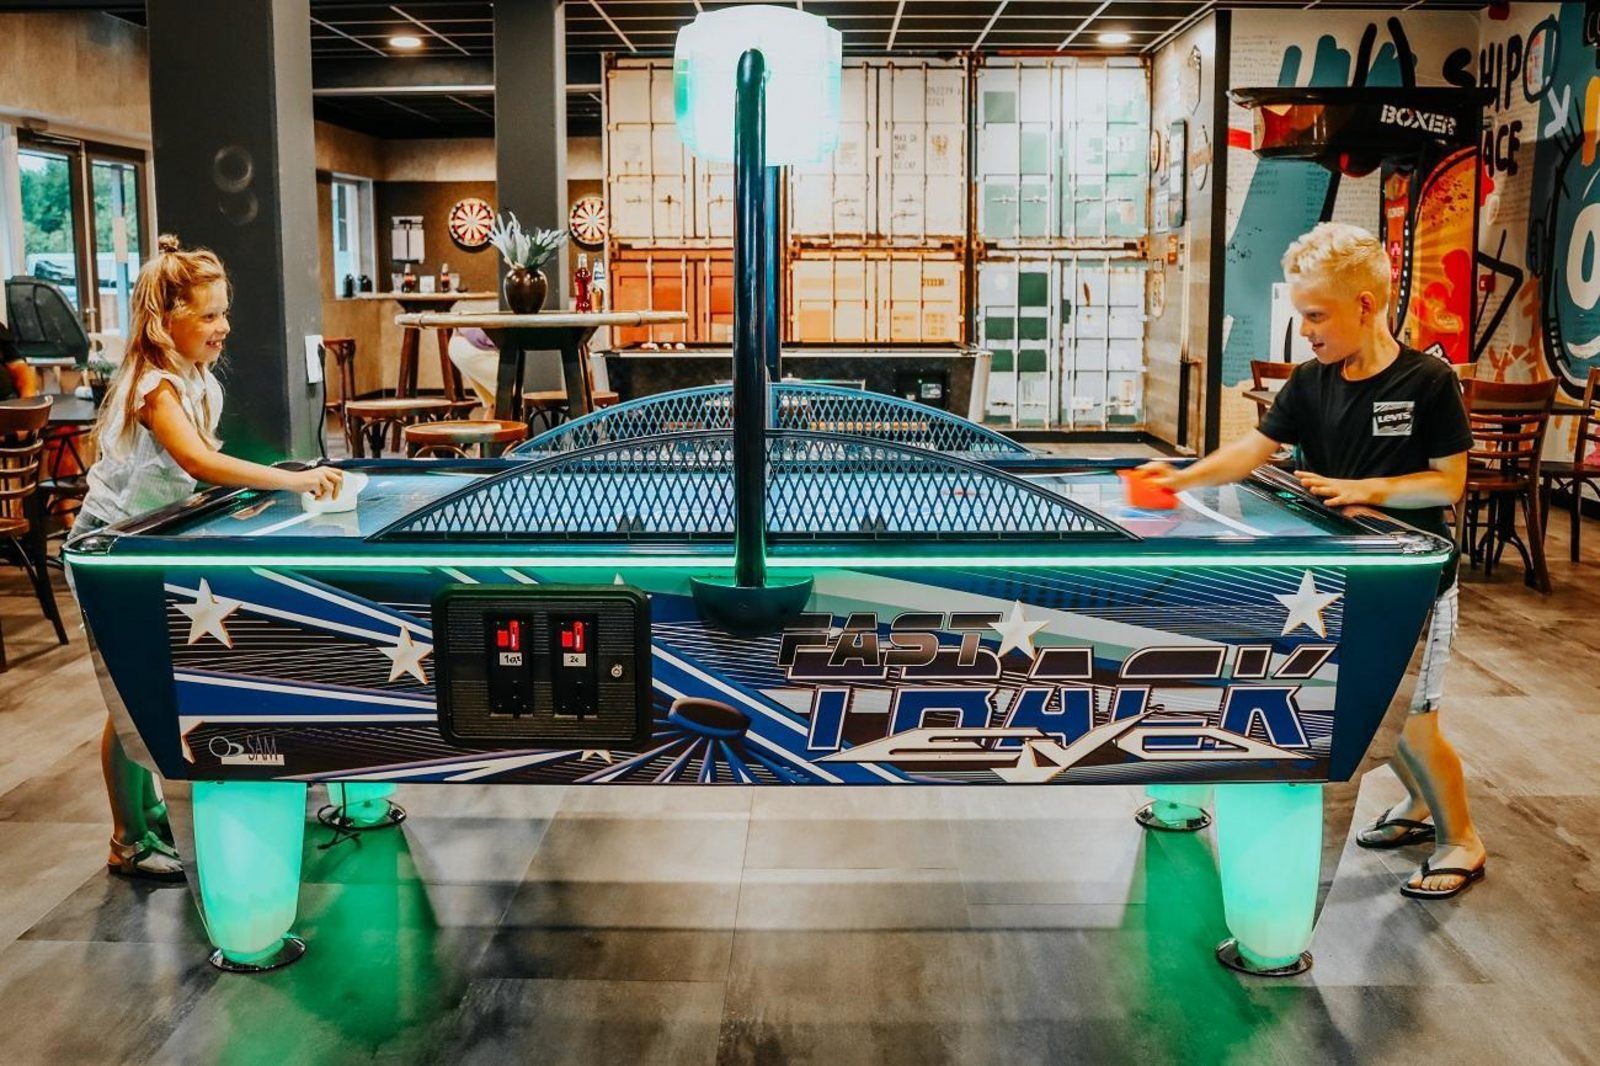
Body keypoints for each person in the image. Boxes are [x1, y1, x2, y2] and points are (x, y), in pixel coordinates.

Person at [1141, 221, 1486, 900]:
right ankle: (1418, 810)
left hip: (1412, 582)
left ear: (1365, 304)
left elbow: (1447, 484)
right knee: (1373, 709)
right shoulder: (1309, 381)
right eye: (1301, 314)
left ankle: (1461, 839)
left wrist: (1367, 490)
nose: (1306, 329)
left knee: (1412, 723)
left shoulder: (1428, 382)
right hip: (1340, 579)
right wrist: (1181, 478)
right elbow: (1252, 450)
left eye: (1316, 315)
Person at [72, 234, 342, 881]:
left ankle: (146, 817)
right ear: (166, 321)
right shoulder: (154, 383)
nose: (223, 328)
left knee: (146, 688)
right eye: (209, 315)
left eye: (225, 313)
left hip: (146, 542)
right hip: (110, 550)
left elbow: (199, 467)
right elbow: (196, 461)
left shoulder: (190, 377)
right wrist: (291, 480)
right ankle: (127, 839)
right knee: (126, 698)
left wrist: (278, 475)